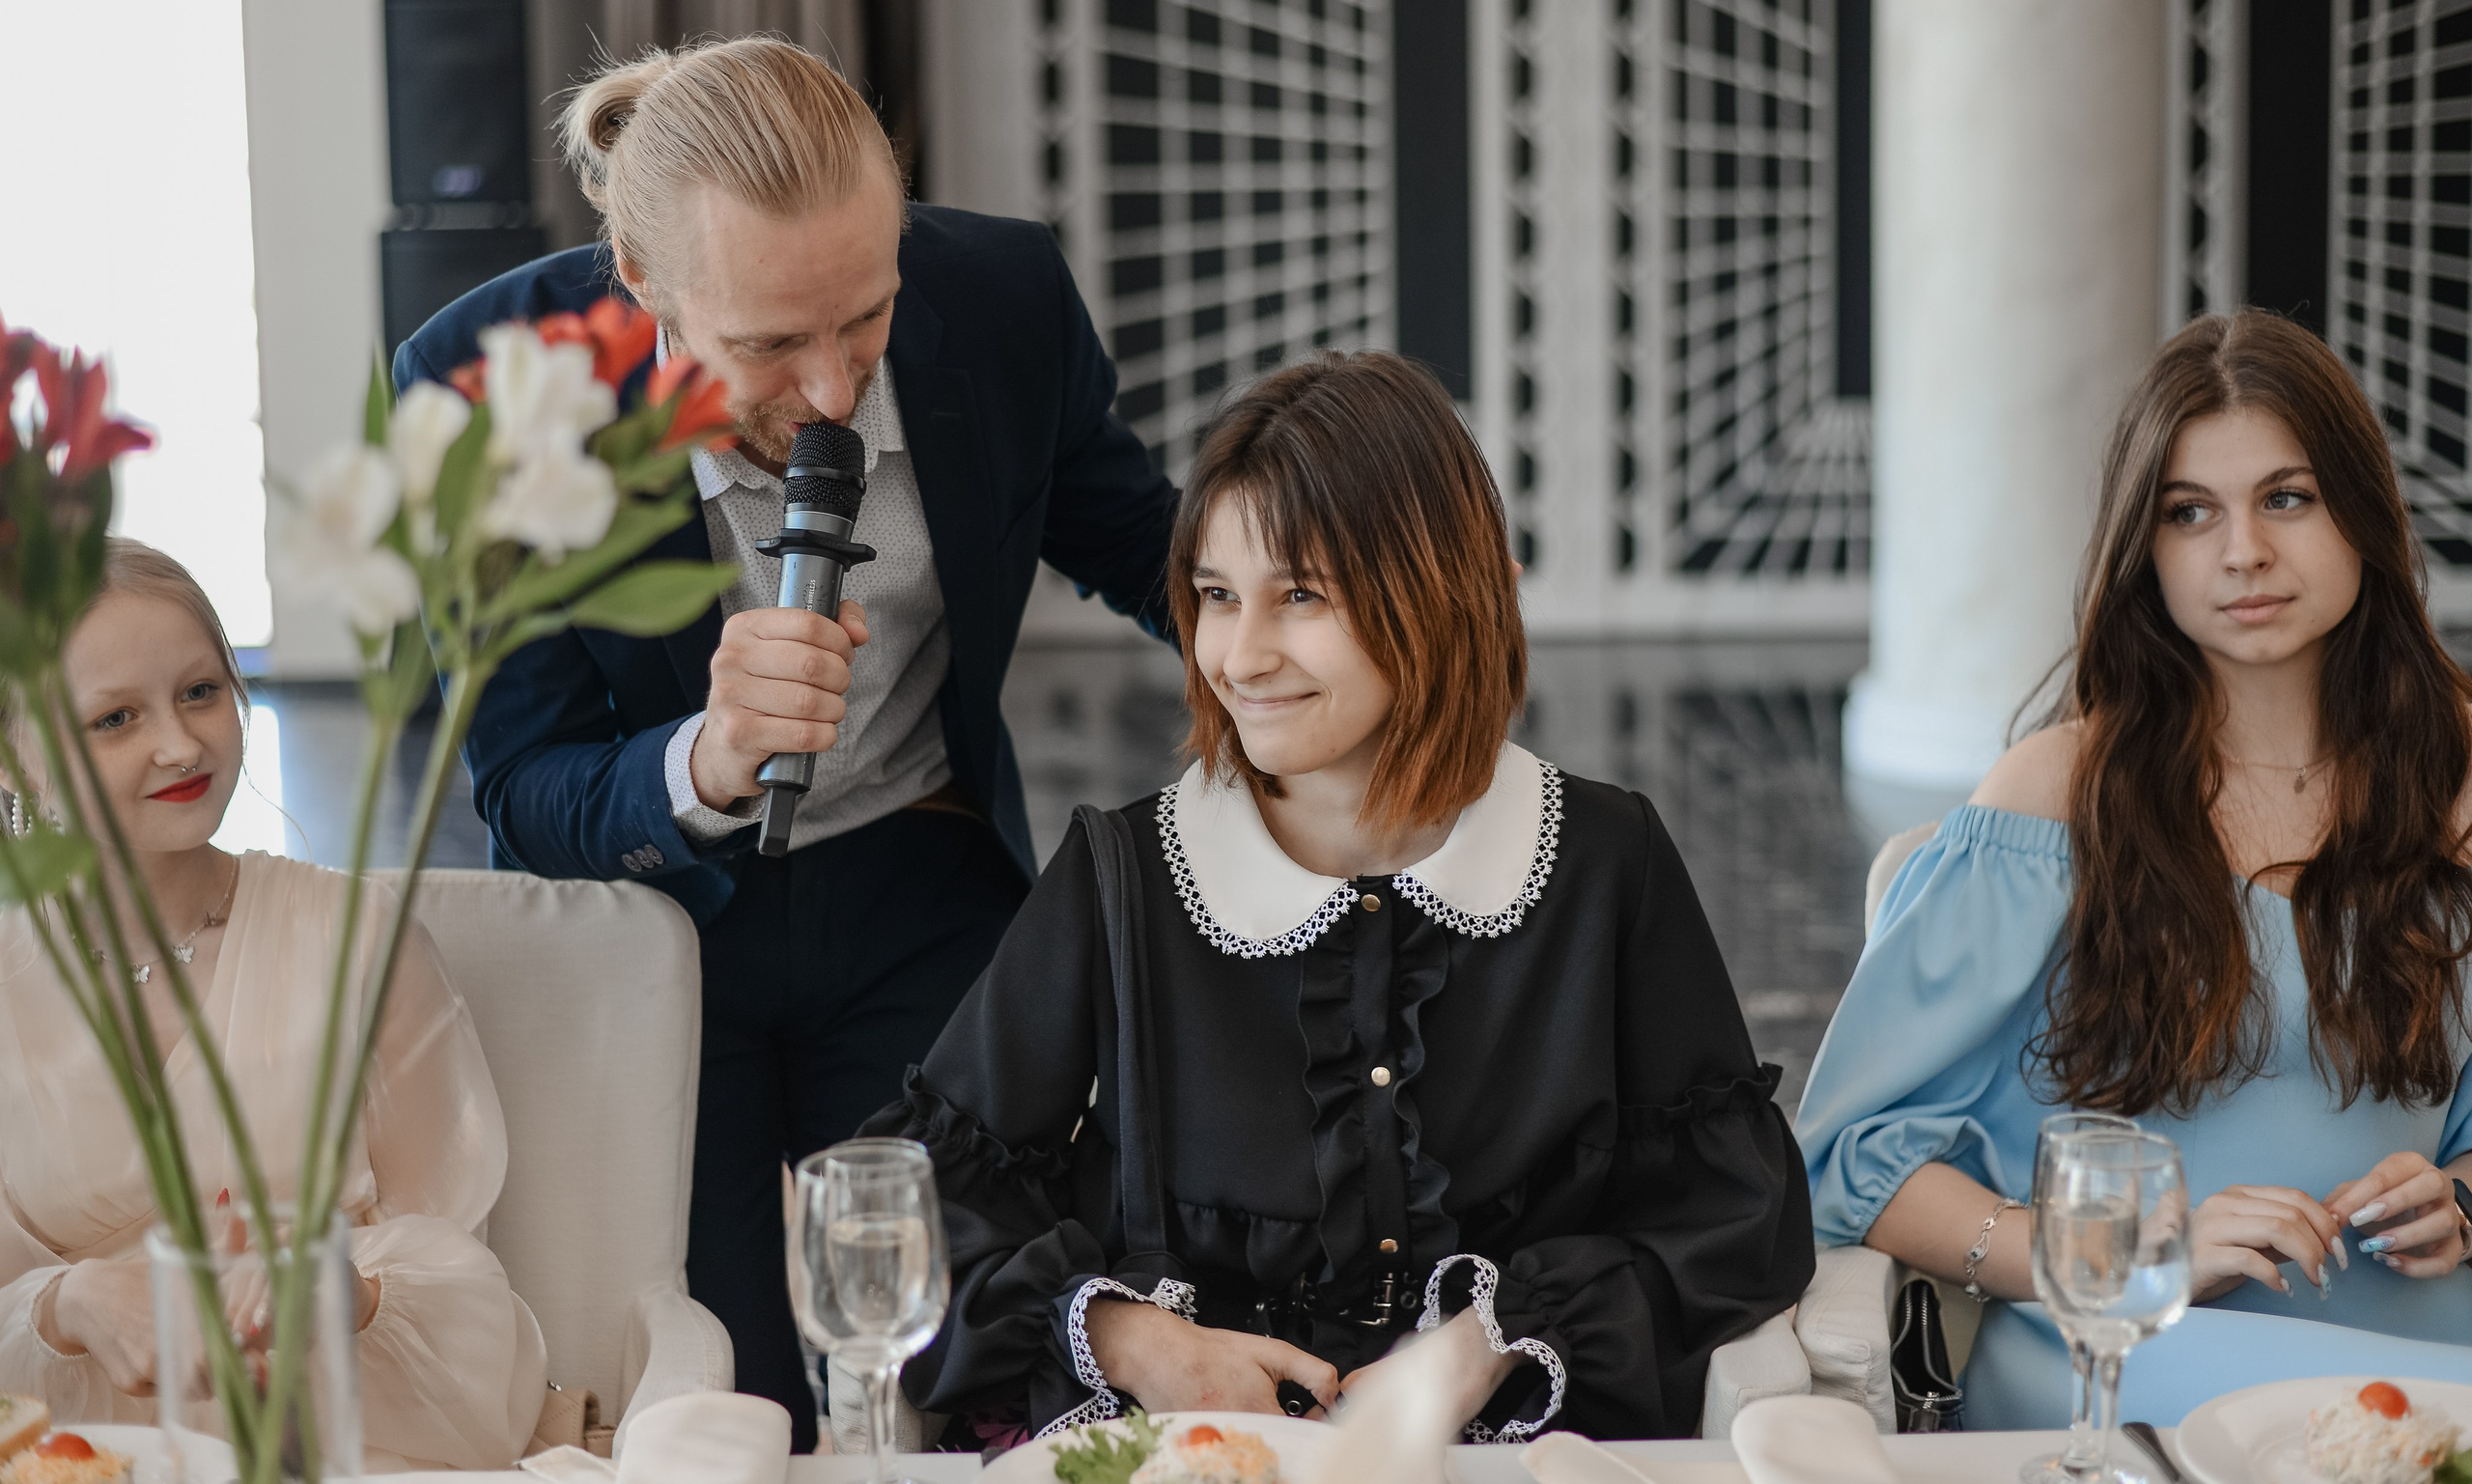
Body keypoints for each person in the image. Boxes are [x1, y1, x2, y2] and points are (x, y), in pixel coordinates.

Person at [396, 36, 1180, 1445]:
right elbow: (523, 790)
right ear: (640, 286)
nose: (829, 392)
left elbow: (1142, 543)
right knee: (729, 1389)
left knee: (939, 1356)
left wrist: (1330, 631)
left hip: (920, 877)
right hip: (651, 917)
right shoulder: (479, 389)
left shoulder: (1001, 299)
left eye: (866, 320)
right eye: (767, 343)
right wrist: (702, 755)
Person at [861, 351, 1812, 1443]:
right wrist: (1139, 1340)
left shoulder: (1603, 859)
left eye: (1301, 594)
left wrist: (1488, 1337)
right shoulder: (1124, 875)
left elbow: (1733, 1211)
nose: (1241, 653)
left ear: (1433, 588)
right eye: (1217, 596)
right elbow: (912, 1209)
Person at [1797, 309, 2472, 1427]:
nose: (2242, 549)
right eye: (2188, 512)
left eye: (2286, 497)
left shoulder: (2451, 785)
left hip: (2426, 1356)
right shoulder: (2052, 796)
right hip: (2137, 1354)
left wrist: (2458, 1201)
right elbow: (1849, 1159)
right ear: (2142, 548)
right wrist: (2127, 1255)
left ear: (2362, 513)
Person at [0, 542, 547, 1470]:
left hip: (343, 1439)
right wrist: (71, 1301)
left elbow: (464, 1280)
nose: (180, 744)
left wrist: (342, 1291)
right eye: (117, 717)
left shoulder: (357, 939)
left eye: (202, 691)